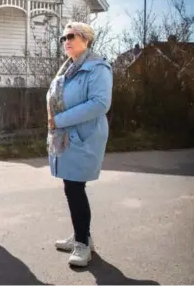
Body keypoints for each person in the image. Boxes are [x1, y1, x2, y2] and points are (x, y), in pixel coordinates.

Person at [47, 21, 113, 267]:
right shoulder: (69, 68)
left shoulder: (98, 68)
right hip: (66, 137)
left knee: (75, 188)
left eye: (71, 36)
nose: (66, 41)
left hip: (84, 137)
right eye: (63, 37)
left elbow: (100, 104)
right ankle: (80, 235)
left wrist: (60, 119)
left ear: (86, 39)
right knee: (71, 187)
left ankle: (83, 244)